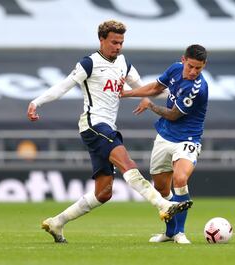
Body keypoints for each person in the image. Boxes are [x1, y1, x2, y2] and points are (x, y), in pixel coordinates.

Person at [26, 20, 192, 243]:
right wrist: (36, 102)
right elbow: (63, 86)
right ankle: (163, 205)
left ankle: (57, 222)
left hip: (108, 127)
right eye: (114, 42)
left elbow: (145, 88)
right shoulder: (89, 63)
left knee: (103, 193)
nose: (118, 47)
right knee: (128, 163)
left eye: (121, 42)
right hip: (94, 125)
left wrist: (174, 94)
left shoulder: (124, 63)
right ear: (102, 40)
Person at [120, 44, 208, 244]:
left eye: (199, 68)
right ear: (183, 60)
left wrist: (150, 105)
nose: (194, 72)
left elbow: (174, 115)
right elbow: (155, 87)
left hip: (187, 139)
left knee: (180, 178)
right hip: (165, 136)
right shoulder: (175, 68)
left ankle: (180, 232)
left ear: (204, 66)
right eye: (191, 66)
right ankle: (169, 232)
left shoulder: (197, 88)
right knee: (161, 188)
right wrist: (125, 93)